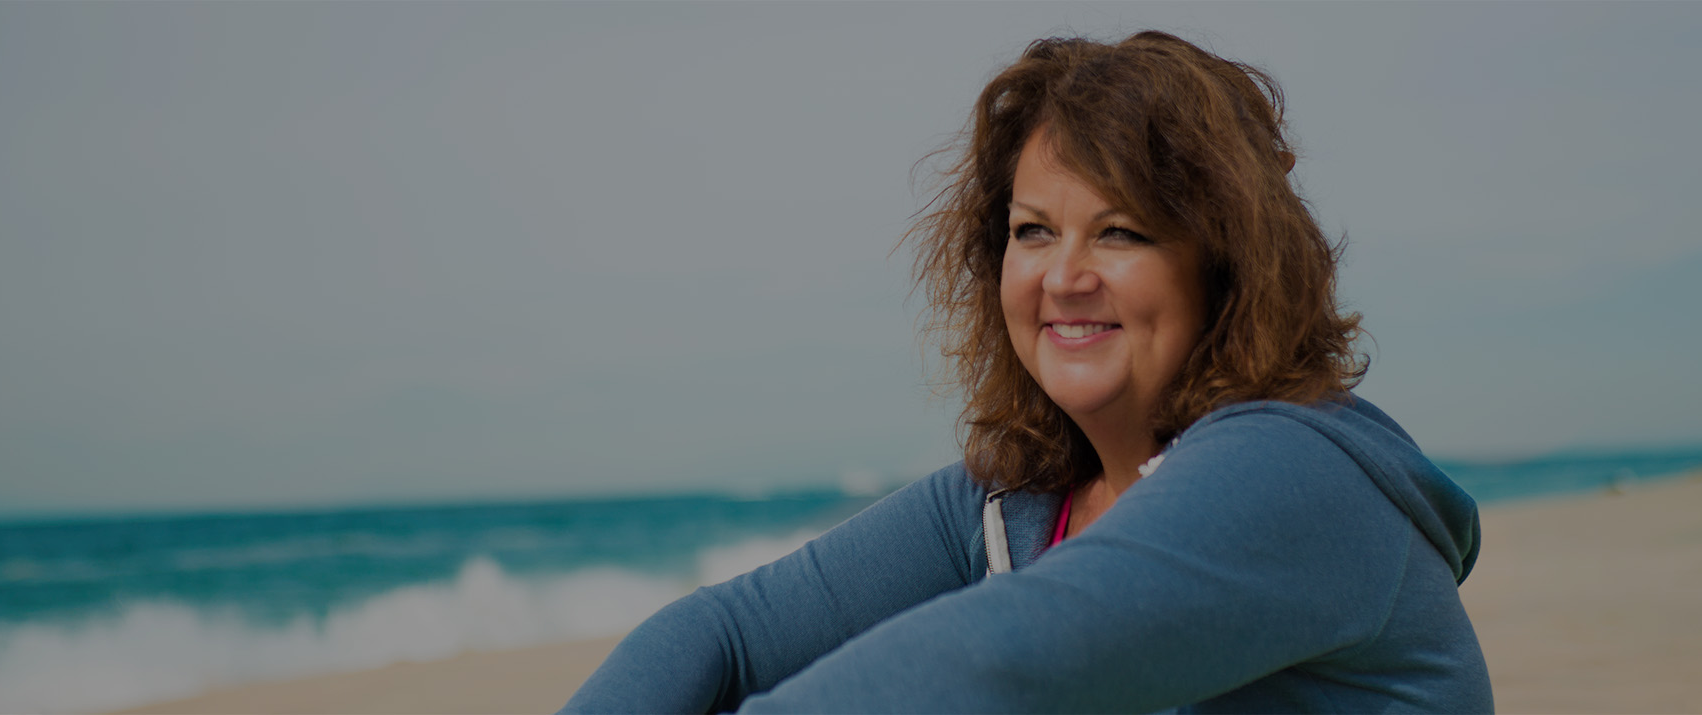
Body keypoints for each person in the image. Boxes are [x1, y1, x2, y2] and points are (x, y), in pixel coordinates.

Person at [561, 30, 1491, 713]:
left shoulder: (1296, 473)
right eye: (1032, 231)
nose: (1064, 277)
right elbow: (724, 633)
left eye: (1120, 231)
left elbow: (1002, 666)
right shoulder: (1018, 501)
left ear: (1224, 265)